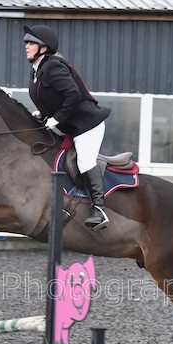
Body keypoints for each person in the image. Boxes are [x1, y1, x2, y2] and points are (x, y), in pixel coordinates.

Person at [23, 24, 112, 230]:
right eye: (26, 42)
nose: (26, 46)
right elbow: (52, 98)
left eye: (31, 43)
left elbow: (73, 94)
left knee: (85, 161)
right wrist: (44, 114)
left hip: (87, 124)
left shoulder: (53, 66)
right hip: (71, 126)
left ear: (44, 47)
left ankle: (99, 209)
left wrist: (57, 117)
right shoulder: (37, 70)